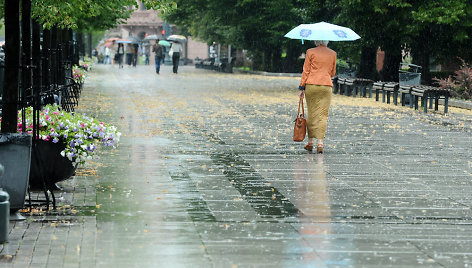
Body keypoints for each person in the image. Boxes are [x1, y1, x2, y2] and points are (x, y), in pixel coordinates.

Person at [298, 40, 336, 154]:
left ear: (316, 41)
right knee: (323, 115)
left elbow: (306, 71)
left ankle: (310, 143)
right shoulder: (333, 53)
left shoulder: (310, 52)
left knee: (312, 113)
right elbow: (333, 73)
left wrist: (301, 87)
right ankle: (320, 143)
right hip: (326, 86)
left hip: (312, 85)